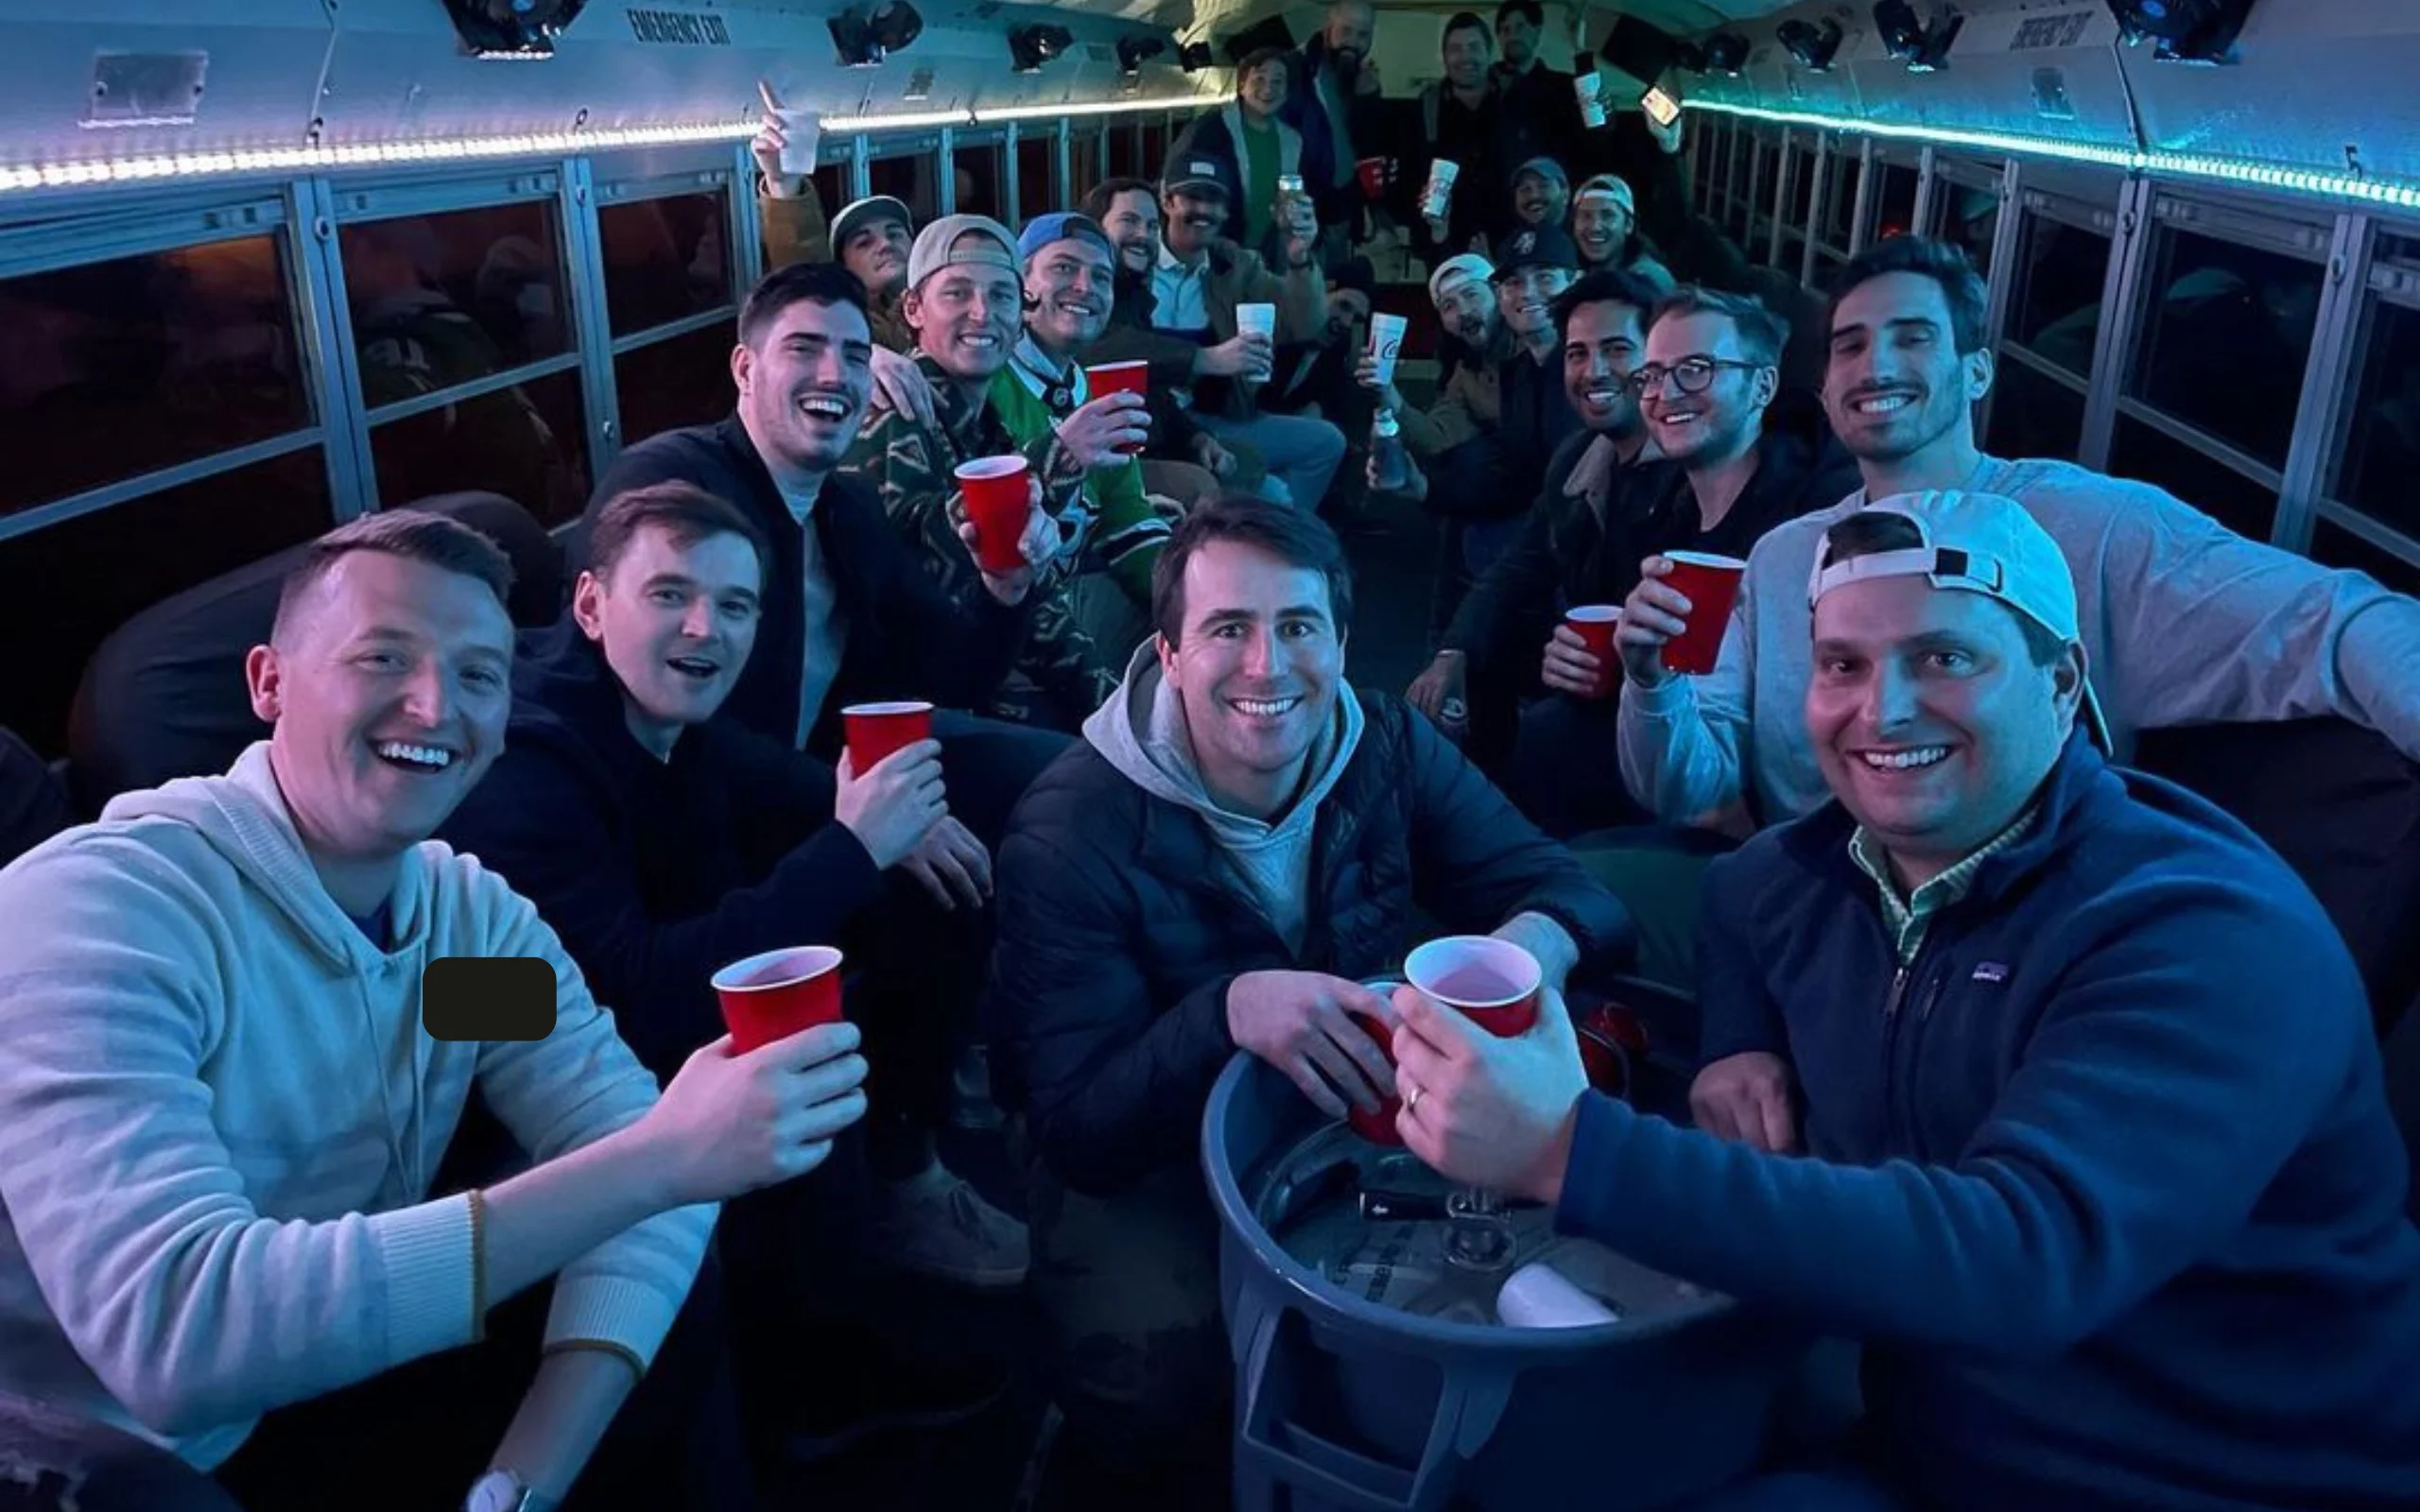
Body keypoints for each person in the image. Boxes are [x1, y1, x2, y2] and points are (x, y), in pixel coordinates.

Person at [1392, 490, 2420, 1512]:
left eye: (1943, 657)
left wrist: (1567, 1150)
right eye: (1842, 665)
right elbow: (1738, 898)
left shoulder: (2205, 933)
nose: (1882, 710)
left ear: (2062, 683)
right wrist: (1738, 1040)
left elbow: (2021, 1259)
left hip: (2219, 1479)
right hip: (1932, 1441)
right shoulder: (1819, 868)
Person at [0, 511, 872, 1512]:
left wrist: (517, 1485)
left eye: (478, 675)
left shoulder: (460, 936)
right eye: (383, 657)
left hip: (322, 1380)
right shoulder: (111, 913)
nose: (434, 706)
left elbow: (625, 1139)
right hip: (101, 1457)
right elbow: (178, 1339)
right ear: (268, 684)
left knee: (670, 1280)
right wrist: (663, 1158)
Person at [986, 495, 1632, 1506]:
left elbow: (1568, 890)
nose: (1267, 666)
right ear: (1169, 654)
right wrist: (1228, 1013)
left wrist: (1521, 952)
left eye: (1297, 626)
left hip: (1346, 1107)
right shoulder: (1070, 830)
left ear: (1340, 640)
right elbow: (1076, 1126)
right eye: (1228, 629)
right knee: (1160, 1370)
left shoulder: (1386, 743)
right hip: (1147, 1143)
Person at [1604, 234, 2420, 984]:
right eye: (1849, 345)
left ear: (1978, 373)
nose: (1875, 364)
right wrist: (1651, 680)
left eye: (1913, 337)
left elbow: (2335, 619)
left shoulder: (2097, 528)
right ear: (1824, 390)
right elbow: (1688, 787)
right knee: (1568, 898)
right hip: (1801, 911)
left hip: (1997, 942)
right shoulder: (1784, 557)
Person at [441, 482, 1027, 1296]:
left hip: (628, 987)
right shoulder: (526, 767)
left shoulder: (657, 707)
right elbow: (626, 998)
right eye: (669, 595)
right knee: (796, 1074)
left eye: (735, 606)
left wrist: (886, 819)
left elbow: (762, 770)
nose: (704, 627)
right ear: (591, 605)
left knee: (927, 888)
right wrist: (854, 846)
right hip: (501, 1045)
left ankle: (905, 1167)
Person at [580, 260, 1063, 848]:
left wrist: (1005, 588)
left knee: (1072, 784)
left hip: (827, 781)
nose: (834, 375)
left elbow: (947, 675)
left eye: (856, 356)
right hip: (689, 821)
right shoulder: (671, 484)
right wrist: (861, 817)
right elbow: (651, 714)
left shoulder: (848, 510)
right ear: (745, 369)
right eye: (804, 349)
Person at [839, 214, 1129, 731]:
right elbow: (920, 568)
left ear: (1020, 317)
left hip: (973, 675)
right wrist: (1058, 457)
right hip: (899, 711)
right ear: (913, 309)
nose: (982, 313)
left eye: (1001, 296)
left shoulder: (984, 425)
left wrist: (1115, 707)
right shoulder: (895, 406)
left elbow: (1031, 594)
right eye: (957, 293)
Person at [1401, 267, 1667, 782]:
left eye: (1617, 350)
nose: (1594, 371)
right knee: (1478, 654)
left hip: (1663, 699)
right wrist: (1452, 653)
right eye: (1577, 354)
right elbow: (1517, 565)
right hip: (1592, 661)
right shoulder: (1578, 455)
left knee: (1546, 735)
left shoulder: (1686, 467)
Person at [991, 211, 1174, 663]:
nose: (1085, 286)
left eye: (1101, 277)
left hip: (1070, 590)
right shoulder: (985, 378)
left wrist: (1186, 588)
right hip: (1007, 615)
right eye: (1063, 268)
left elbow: (1124, 511)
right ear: (1022, 284)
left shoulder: (1091, 388)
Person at [1136, 153, 1345, 515]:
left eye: (1215, 201)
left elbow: (1304, 323)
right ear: (1167, 201)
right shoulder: (1137, 261)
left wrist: (1299, 257)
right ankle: (1260, 529)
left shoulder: (1236, 266)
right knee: (1274, 496)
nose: (1204, 210)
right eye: (1193, 197)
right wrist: (1205, 359)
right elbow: (1116, 345)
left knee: (1326, 442)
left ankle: (1274, 532)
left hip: (1219, 417)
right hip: (1157, 426)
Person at [750, 81, 935, 425]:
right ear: (844, 266)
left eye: (895, 233)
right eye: (864, 242)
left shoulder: (941, 309)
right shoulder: (851, 328)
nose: (884, 244)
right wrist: (784, 186)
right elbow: (806, 275)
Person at [1080, 175, 1254, 506]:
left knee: (1248, 466)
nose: (1143, 235)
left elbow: (1154, 391)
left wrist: (1196, 437)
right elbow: (1101, 346)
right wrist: (1205, 358)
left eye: (1151, 226)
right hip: (1100, 464)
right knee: (1206, 486)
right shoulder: (1086, 295)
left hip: (1150, 445)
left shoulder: (1134, 296)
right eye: (1128, 221)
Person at [1166, 47, 1311, 268]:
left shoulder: (1293, 141)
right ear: (1242, 85)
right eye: (1259, 79)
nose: (1268, 88)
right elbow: (1171, 183)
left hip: (1267, 254)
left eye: (1278, 81)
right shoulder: (1208, 131)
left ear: (1287, 91)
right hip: (1213, 252)